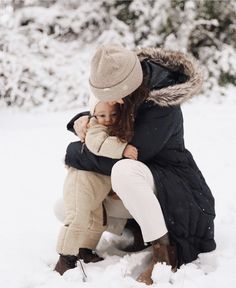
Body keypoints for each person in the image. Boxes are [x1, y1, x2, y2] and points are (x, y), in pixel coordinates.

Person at [62, 44, 216, 285]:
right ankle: (127, 232)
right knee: (64, 206)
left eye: (110, 94)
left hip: (176, 194)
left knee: (123, 170)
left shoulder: (162, 107)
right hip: (143, 190)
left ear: (126, 86)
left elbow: (124, 156)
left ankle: (165, 254)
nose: (106, 101)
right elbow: (106, 116)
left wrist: (74, 150)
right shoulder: (129, 92)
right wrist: (81, 121)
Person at [55, 94, 138, 275]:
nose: (107, 120)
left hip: (97, 189)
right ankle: (65, 258)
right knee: (77, 218)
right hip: (81, 183)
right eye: (102, 115)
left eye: (113, 115)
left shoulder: (115, 129)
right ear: (93, 115)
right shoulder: (94, 128)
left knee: (97, 222)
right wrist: (122, 148)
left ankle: (84, 250)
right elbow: (98, 145)